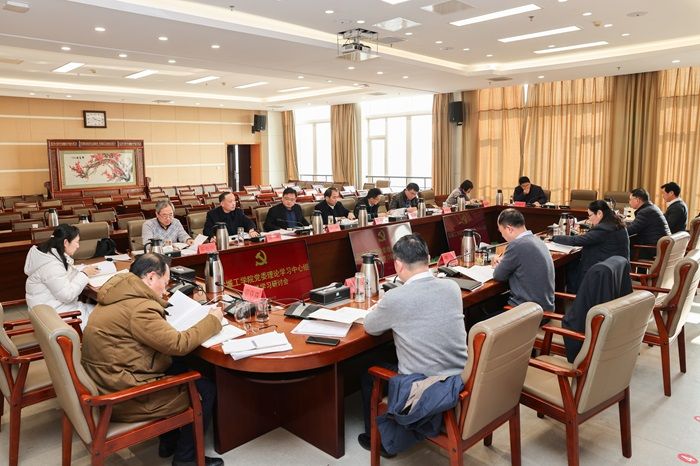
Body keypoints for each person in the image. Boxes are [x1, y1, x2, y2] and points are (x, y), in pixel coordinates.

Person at [81, 253, 224, 466]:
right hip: (123, 395)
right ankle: (187, 459)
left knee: (177, 364)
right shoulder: (140, 308)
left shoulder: (117, 294)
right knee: (205, 389)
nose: (165, 290)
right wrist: (213, 320)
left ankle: (168, 442)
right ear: (150, 277)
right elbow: (178, 344)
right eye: (164, 283)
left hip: (109, 379)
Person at [359, 234, 467, 455]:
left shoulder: (396, 297)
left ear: (398, 265)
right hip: (458, 375)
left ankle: (380, 442)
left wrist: (383, 305)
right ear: (428, 258)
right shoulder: (452, 287)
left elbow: (370, 327)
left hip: (425, 385)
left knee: (367, 371)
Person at [24, 224, 99, 327]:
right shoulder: (51, 266)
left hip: (52, 311)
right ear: (65, 242)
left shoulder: (48, 256)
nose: (78, 246)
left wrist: (81, 271)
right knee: (107, 315)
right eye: (77, 242)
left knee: (101, 311)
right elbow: (67, 295)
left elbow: (60, 276)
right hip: (58, 318)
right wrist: (84, 274)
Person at [552, 200, 630, 293]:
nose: (589, 219)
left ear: (599, 213)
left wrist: (554, 238)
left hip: (601, 271)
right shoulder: (616, 222)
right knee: (573, 262)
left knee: (569, 265)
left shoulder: (603, 228)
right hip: (616, 270)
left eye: (590, 215)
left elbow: (577, 240)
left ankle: (572, 296)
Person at [492, 208, 555, 311]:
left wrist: (498, 264)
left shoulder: (516, 245)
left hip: (528, 313)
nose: (502, 236)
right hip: (544, 307)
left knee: (480, 317)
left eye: (501, 232)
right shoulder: (537, 240)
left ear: (509, 229)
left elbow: (498, 275)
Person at [627, 188, 671, 259]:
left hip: (652, 250)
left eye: (630, 199)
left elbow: (631, 230)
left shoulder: (645, 212)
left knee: (620, 250)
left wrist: (617, 229)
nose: (629, 202)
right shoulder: (652, 208)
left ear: (637, 200)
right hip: (660, 247)